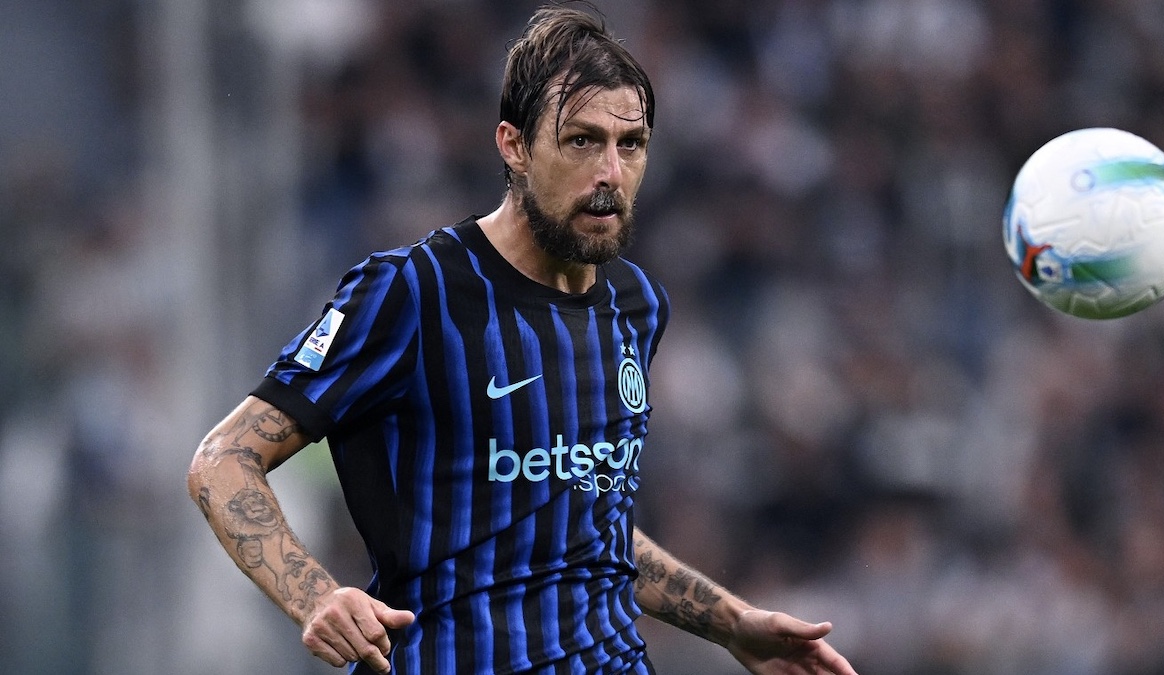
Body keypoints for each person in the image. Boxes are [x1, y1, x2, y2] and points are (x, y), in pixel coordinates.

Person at [187, 4, 857, 674]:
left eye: (631, 144)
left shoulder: (636, 305)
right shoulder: (413, 292)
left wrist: (733, 623)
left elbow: (584, 518)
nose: (611, 172)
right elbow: (222, 460)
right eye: (581, 141)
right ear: (513, 146)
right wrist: (314, 595)